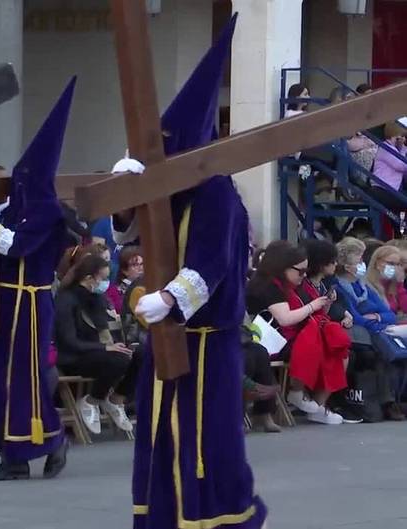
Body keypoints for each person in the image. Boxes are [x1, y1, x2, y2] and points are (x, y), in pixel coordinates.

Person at [120, 17, 268, 527]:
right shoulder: (169, 186)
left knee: (207, 436)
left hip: (206, 339)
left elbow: (213, 261)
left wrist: (170, 297)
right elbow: (132, 226)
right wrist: (125, 188)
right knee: (159, 432)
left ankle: (213, 517)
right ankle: (162, 515)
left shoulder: (215, 191)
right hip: (167, 338)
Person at [0, 79, 77, 482]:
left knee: (20, 380)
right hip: (6, 302)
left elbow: (17, 247)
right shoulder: (19, 207)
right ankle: (13, 452)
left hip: (28, 302)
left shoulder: (47, 212)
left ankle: (35, 446)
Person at [246, 241, 345, 425]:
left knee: (336, 345)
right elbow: (285, 319)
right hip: (270, 340)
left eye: (306, 271)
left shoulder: (287, 285)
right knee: (321, 341)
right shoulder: (270, 287)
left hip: (282, 337)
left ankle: (314, 401)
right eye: (300, 271)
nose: (303, 275)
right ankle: (298, 392)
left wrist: (323, 305)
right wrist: (312, 306)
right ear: (282, 267)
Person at [54, 254, 136, 435]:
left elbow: (105, 331)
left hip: (99, 352)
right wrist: (105, 347)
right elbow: (69, 342)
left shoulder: (97, 298)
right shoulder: (66, 300)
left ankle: (116, 399)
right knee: (118, 360)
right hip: (74, 357)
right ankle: (92, 400)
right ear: (88, 278)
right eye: (104, 278)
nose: (106, 283)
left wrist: (118, 345)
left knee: (142, 354)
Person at [334, 238, 404, 421]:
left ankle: (392, 401)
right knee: (382, 355)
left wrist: (378, 319)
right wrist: (379, 323)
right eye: (358, 261)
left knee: (390, 353)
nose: (362, 264)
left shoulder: (362, 285)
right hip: (361, 335)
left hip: (376, 330)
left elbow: (388, 313)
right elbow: (355, 317)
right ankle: (388, 402)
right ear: (347, 266)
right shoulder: (340, 287)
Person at [368, 121, 407, 213]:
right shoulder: (386, 148)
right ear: (395, 135)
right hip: (382, 190)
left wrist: (403, 148)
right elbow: (401, 166)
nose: (403, 139)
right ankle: (401, 226)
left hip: (390, 190)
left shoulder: (394, 150)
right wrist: (404, 149)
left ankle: (400, 226)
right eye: (402, 136)